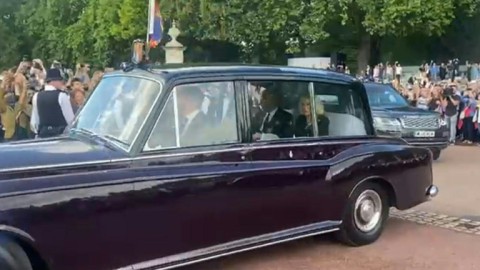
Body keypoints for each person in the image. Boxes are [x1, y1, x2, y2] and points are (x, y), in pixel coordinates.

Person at [30, 69, 75, 138]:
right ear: (55, 81)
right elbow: (70, 120)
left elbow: (34, 122)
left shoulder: (36, 96)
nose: (62, 83)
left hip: (43, 135)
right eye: (60, 81)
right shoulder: (62, 96)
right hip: (61, 136)